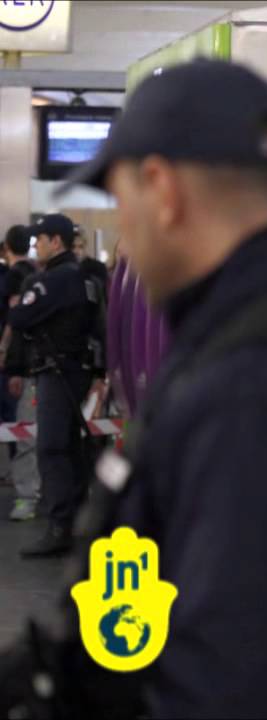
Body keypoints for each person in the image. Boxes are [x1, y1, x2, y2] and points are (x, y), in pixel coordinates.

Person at [0, 60, 267, 717]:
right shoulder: (251, 330)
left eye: (121, 200)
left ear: (162, 189)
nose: (125, 234)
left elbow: (237, 688)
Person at [9, 213, 102, 558]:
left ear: (56, 241)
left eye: (41, 240)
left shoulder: (53, 279)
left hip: (56, 370)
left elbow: (19, 317)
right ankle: (75, 523)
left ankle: (60, 526)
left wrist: (23, 303)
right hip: (77, 369)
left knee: (51, 448)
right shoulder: (84, 277)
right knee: (70, 446)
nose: (36, 246)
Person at [0, 225, 39, 522]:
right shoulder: (38, 273)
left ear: (6, 248)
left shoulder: (15, 276)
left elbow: (15, 320)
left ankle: (27, 496)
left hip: (19, 363)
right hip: (33, 362)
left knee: (23, 426)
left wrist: (4, 350)